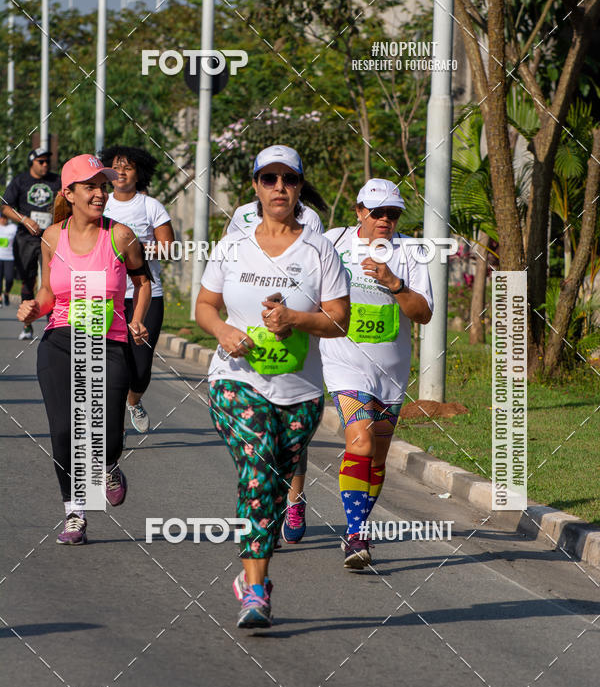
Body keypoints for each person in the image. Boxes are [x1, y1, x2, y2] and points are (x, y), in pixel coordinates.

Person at [196, 144, 350, 628]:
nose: (279, 187)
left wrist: (295, 319)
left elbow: (340, 320)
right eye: (269, 179)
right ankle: (256, 589)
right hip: (235, 380)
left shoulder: (318, 248)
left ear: (300, 186)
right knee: (259, 476)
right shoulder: (233, 245)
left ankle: (252, 577)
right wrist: (224, 333)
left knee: (278, 487)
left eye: (288, 179)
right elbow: (203, 306)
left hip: (300, 391)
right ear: (256, 187)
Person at [17, 154, 151, 545]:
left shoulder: (121, 236)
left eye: (103, 186)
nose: (100, 193)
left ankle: (108, 465)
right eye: (91, 186)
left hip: (109, 342)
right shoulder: (52, 237)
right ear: (69, 193)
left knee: (107, 433)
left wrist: (138, 317)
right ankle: (75, 511)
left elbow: (142, 282)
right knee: (63, 431)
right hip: (59, 340)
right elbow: (47, 293)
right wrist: (32, 309)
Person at [320, 178, 433, 568]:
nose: (385, 219)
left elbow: (424, 313)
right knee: (361, 441)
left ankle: (359, 526)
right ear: (359, 212)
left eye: (393, 213)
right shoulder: (334, 242)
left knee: (378, 456)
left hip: (391, 367)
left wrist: (394, 283)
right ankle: (355, 535)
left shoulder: (411, 252)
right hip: (343, 360)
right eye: (377, 211)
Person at [101, 145, 175, 436]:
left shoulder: (150, 206)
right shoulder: (100, 202)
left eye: (128, 167)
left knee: (140, 367)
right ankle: (110, 426)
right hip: (108, 295)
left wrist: (135, 249)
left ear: (138, 173)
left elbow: (169, 249)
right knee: (111, 363)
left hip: (148, 292)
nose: (121, 172)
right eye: (116, 167)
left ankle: (135, 401)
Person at [2, 147, 61, 339]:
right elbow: (4, 206)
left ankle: (53, 324)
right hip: (26, 238)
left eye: (47, 162)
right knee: (28, 281)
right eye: (41, 162)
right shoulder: (20, 181)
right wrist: (24, 219)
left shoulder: (56, 180)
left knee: (53, 282)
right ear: (32, 163)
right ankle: (27, 325)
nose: (45, 165)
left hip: (52, 238)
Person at [0, 215, 17, 306]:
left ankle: (6, 293)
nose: (3, 220)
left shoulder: (13, 228)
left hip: (9, 257)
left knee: (9, 278)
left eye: (5, 218)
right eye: (2, 218)